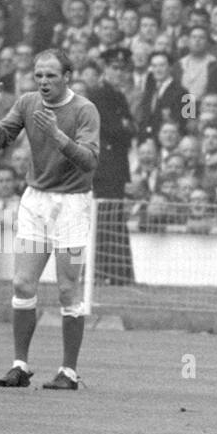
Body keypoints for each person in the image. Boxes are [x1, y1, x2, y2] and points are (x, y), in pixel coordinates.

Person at [0, 49, 101, 390]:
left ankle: (69, 371)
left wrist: (57, 136)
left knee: (67, 289)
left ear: (67, 76)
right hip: (36, 202)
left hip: (72, 207)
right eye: (39, 75)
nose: (44, 82)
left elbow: (89, 161)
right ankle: (20, 365)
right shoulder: (27, 103)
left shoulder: (84, 110)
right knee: (22, 283)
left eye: (51, 75)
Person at [91, 46, 137, 285]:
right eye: (115, 68)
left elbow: (130, 128)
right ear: (105, 68)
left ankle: (117, 273)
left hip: (116, 165)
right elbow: (114, 128)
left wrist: (125, 127)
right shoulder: (97, 94)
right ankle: (106, 272)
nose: (119, 73)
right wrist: (125, 126)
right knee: (107, 219)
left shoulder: (118, 96)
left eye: (123, 69)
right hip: (103, 167)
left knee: (114, 218)